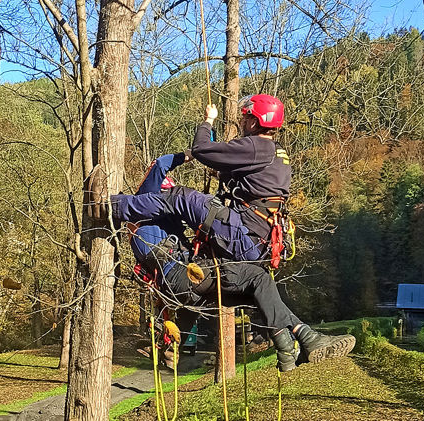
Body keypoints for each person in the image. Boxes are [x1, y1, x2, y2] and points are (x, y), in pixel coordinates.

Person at [124, 151, 354, 372]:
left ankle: (300, 343)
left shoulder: (155, 226)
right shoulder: (144, 201)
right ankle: (294, 346)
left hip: (185, 283)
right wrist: (196, 152)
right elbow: (160, 164)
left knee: (257, 294)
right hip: (184, 274)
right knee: (259, 279)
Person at [113, 94, 291, 264]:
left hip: (244, 235)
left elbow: (201, 148)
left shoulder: (256, 146)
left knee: (180, 198)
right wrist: (221, 172)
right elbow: (252, 185)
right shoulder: (278, 154)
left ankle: (113, 206)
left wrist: (208, 120)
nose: (242, 122)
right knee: (195, 205)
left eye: (245, 119)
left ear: (254, 122)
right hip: (260, 242)